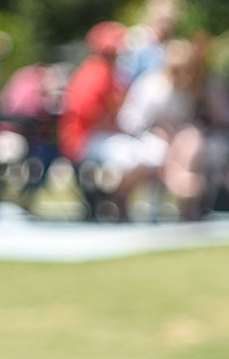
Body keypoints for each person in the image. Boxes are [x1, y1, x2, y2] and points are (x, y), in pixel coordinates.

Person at [58, 20, 163, 220]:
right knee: (134, 157)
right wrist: (119, 128)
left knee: (148, 155)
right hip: (83, 139)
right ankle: (115, 200)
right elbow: (91, 114)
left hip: (99, 135)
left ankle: (116, 200)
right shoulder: (95, 72)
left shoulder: (109, 72)